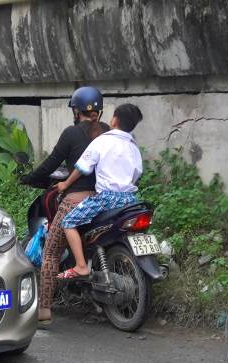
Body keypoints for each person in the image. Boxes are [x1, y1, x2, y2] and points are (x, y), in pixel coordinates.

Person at [21, 86, 109, 325]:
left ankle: (44, 311)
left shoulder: (71, 133)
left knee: (50, 252)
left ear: (76, 110)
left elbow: (51, 163)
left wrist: (28, 178)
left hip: (76, 200)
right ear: (99, 111)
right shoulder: (108, 132)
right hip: (106, 200)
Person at [54, 103, 145, 280]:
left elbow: (82, 167)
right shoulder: (133, 147)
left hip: (106, 199)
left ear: (114, 120)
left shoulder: (102, 141)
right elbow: (136, 174)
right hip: (130, 200)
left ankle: (81, 266)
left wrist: (65, 184)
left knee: (68, 222)